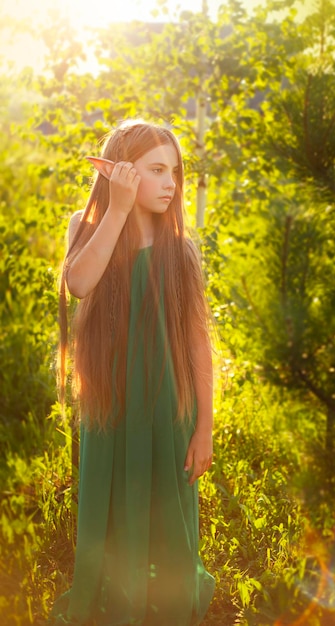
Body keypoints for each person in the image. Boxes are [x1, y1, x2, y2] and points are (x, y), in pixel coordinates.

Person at [49, 119, 215, 626]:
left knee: (167, 515)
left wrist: (204, 427)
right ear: (121, 172)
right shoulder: (86, 226)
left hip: (168, 409)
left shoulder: (180, 250)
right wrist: (117, 210)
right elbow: (79, 283)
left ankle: (166, 602)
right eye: (157, 170)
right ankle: (113, 602)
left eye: (175, 172)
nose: (171, 183)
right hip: (109, 407)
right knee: (112, 510)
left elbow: (197, 345)